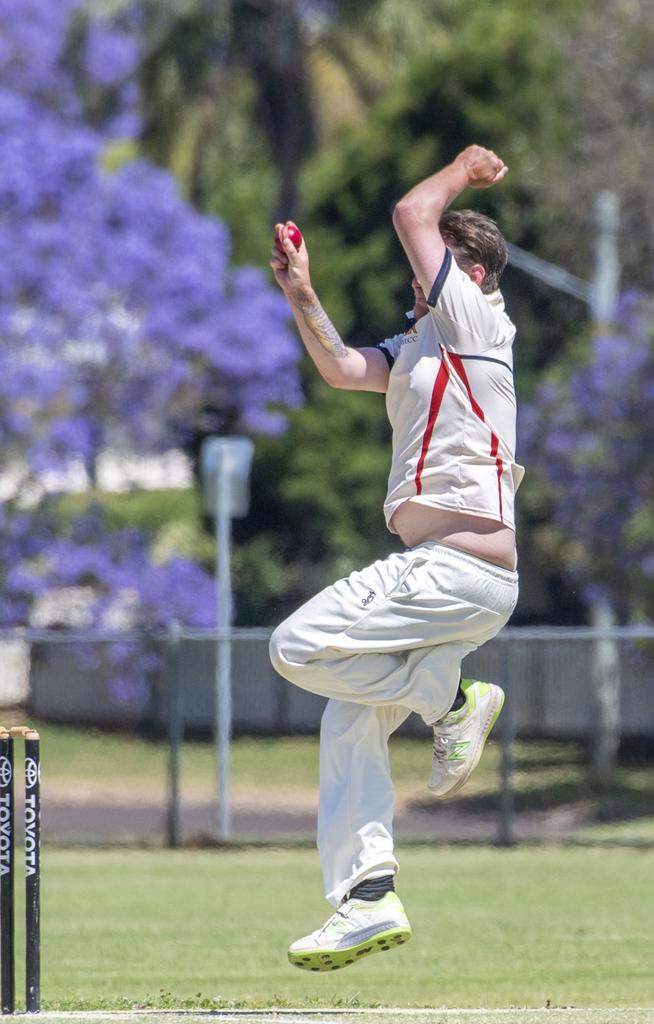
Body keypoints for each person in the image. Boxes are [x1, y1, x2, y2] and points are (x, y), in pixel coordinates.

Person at [269, 144, 524, 972]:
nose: (421, 277)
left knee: (295, 648)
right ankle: (366, 896)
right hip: (452, 581)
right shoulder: (420, 346)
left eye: (439, 267)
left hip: (455, 567)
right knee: (347, 719)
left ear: (474, 274)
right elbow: (346, 369)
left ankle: (448, 699)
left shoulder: (477, 323)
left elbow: (412, 214)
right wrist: (304, 295)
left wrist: (459, 169)